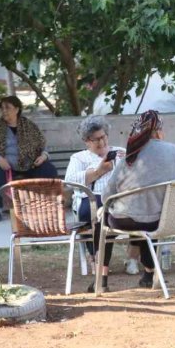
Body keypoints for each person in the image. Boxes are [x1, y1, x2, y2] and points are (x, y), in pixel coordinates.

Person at [101, 110, 175, 288]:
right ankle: (148, 274)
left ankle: (101, 280)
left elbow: (105, 197)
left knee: (101, 220)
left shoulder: (129, 156)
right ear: (159, 131)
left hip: (127, 222)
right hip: (165, 221)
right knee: (150, 216)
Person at [63, 116, 141, 292]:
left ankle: (131, 259)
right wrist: (98, 171)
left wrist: (125, 165)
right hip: (90, 199)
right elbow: (69, 181)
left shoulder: (120, 152)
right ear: (86, 141)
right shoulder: (79, 158)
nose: (101, 141)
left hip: (118, 198)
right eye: (96, 139)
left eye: (103, 136)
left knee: (137, 208)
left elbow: (137, 174)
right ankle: (99, 262)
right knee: (102, 213)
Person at [0, 95, 58, 222]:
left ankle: (47, 206)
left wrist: (43, 156)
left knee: (48, 169)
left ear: (17, 109)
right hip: (7, 166)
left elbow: (43, 146)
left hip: (30, 164)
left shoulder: (29, 126)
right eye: (2, 108)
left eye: (7, 108)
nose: (4, 111)